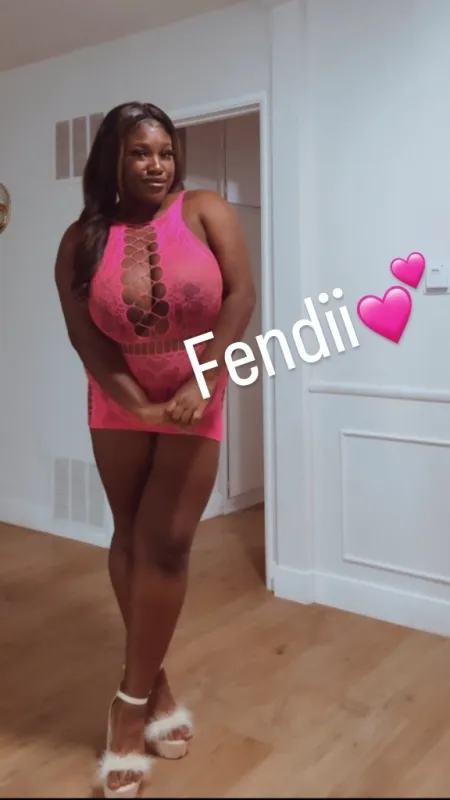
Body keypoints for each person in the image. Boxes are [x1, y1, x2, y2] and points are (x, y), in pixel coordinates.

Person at [54, 101, 256, 798]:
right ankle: (155, 684)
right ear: (112, 159)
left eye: (165, 152)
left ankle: (127, 709)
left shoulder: (206, 210)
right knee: (131, 536)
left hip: (198, 388)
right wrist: (133, 402)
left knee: (167, 544)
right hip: (118, 394)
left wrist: (204, 377)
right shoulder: (81, 238)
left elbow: (240, 297)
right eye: (141, 152)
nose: (156, 164)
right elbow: (85, 334)